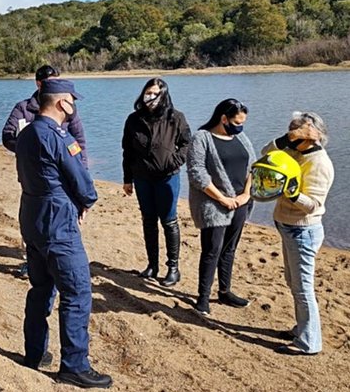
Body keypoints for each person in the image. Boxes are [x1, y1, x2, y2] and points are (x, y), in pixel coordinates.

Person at [15, 78, 111, 389]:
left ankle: (34, 353)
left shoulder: (27, 133)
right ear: (62, 104)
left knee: (40, 288)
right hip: (57, 220)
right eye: (72, 100)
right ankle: (74, 365)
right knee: (77, 291)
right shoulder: (59, 136)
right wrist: (86, 202)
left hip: (32, 215)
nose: (74, 106)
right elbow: (80, 179)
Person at [3, 65, 88, 279]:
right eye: (49, 81)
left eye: (56, 80)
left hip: (64, 174)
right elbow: (7, 136)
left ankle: (61, 261)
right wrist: (33, 148)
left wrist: (82, 168)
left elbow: (80, 140)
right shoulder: (23, 108)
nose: (54, 84)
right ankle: (30, 262)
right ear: (38, 83)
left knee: (64, 219)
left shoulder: (68, 108)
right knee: (34, 218)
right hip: (33, 175)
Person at [262, 112, 334, 355]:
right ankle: (302, 329)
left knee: (303, 287)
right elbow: (265, 153)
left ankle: (308, 343)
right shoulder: (295, 151)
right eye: (291, 132)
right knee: (293, 282)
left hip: (303, 230)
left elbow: (314, 204)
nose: (292, 138)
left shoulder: (319, 163)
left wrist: (291, 192)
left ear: (312, 136)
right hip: (287, 226)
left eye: (298, 133)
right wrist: (288, 138)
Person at [187, 99, 256, 316]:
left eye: (243, 122)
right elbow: (197, 173)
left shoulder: (241, 137)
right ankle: (203, 298)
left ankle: (225, 291)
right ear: (223, 118)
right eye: (236, 122)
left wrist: (245, 194)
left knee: (229, 249)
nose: (240, 126)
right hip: (213, 204)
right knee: (212, 250)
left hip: (240, 203)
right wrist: (223, 198)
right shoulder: (202, 138)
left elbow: (252, 167)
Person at [122, 78, 191, 286]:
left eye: (154, 93)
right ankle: (152, 265)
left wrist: (173, 162)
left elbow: (186, 143)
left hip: (168, 178)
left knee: (169, 221)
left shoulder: (176, 118)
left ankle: (173, 268)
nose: (149, 97)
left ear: (163, 95)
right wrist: (127, 179)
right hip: (143, 178)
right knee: (148, 221)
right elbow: (127, 150)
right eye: (147, 92)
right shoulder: (134, 120)